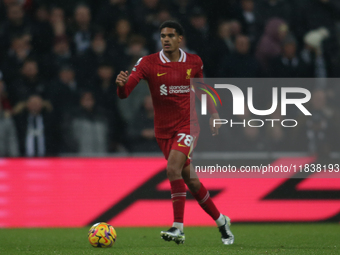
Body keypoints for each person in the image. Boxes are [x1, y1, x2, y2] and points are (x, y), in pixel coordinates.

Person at [116, 20, 234, 245]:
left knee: (172, 168)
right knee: (192, 182)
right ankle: (221, 222)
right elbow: (125, 92)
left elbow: (201, 89)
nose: (166, 39)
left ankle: (178, 227)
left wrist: (214, 114)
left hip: (188, 126)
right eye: (163, 36)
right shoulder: (148, 63)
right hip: (163, 131)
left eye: (171, 36)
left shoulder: (193, 61)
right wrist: (121, 85)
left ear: (181, 39)